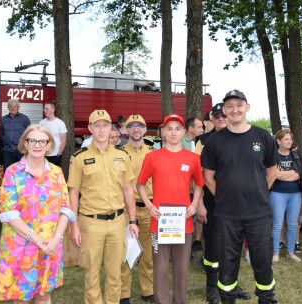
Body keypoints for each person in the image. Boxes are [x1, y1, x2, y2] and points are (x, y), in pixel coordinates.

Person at [201, 90, 278, 304]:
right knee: (227, 262)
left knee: (262, 260)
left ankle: (267, 298)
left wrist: (259, 192)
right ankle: (227, 298)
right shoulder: (215, 142)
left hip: (259, 212)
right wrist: (225, 197)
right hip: (227, 214)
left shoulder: (263, 137)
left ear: (247, 107)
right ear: (224, 111)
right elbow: (208, 177)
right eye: (230, 106)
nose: (235, 109)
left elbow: (272, 171)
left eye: (239, 105)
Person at [0, 124, 75, 303]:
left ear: (49, 145)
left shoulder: (57, 172)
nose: (37, 145)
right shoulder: (13, 172)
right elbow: (9, 214)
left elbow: (65, 209)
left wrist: (56, 238)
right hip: (21, 245)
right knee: (22, 297)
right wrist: (39, 241)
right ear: (25, 144)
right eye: (32, 140)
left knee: (44, 294)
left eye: (42, 141)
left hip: (50, 245)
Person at [67, 109, 139, 304]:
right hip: (91, 223)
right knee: (91, 273)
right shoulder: (79, 157)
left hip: (117, 222)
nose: (101, 130)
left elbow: (128, 190)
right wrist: (73, 226)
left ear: (111, 128)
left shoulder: (122, 156)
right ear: (90, 128)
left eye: (105, 125)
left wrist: (132, 221)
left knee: (115, 272)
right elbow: (73, 192)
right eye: (96, 126)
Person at [136, 114, 203, 304]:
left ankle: (180, 301)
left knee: (182, 268)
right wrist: (149, 205)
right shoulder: (152, 157)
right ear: (163, 132)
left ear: (183, 132)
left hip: (184, 221)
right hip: (159, 222)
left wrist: (194, 204)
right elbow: (140, 184)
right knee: (160, 267)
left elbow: (199, 184)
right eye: (169, 129)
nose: (173, 132)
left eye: (177, 129)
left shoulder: (192, 159)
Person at [119, 114, 155, 303]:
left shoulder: (153, 152)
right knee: (125, 252)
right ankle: (124, 292)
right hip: (126, 210)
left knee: (148, 253)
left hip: (148, 207)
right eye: (132, 126)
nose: (136, 129)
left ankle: (147, 289)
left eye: (139, 126)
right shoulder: (118, 153)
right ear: (126, 130)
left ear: (145, 128)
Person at [270, 130, 302, 263]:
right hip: (277, 193)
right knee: (277, 223)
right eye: (286, 139)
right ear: (278, 141)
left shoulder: (295, 155)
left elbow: (299, 173)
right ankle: (275, 251)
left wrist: (284, 175)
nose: (289, 142)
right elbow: (274, 175)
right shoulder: (273, 156)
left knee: (292, 223)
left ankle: (290, 251)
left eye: (290, 139)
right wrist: (291, 173)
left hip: (295, 194)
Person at [1, 99, 31, 168]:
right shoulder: (3, 119)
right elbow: (2, 133)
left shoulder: (24, 118)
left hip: (21, 150)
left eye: (15, 106)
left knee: (22, 170)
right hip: (8, 150)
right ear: (8, 108)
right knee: (8, 170)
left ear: (18, 107)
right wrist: (5, 141)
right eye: (11, 106)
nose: (13, 108)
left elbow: (29, 133)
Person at [39, 101, 67, 166]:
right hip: (43, 154)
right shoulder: (41, 123)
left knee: (53, 174)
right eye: (44, 109)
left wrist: (59, 153)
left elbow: (63, 140)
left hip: (55, 155)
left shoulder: (60, 123)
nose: (45, 111)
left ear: (53, 110)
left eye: (47, 109)